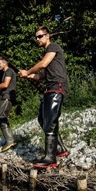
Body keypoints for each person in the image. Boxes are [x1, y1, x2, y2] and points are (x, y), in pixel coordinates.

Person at [19, 26, 69, 168]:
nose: (37, 39)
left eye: (40, 36)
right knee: (43, 119)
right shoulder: (48, 53)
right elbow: (42, 75)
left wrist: (28, 71)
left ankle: (50, 158)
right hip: (49, 88)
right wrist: (27, 75)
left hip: (56, 87)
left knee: (50, 122)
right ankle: (59, 149)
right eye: (36, 37)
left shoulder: (53, 46)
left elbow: (43, 64)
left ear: (48, 35)